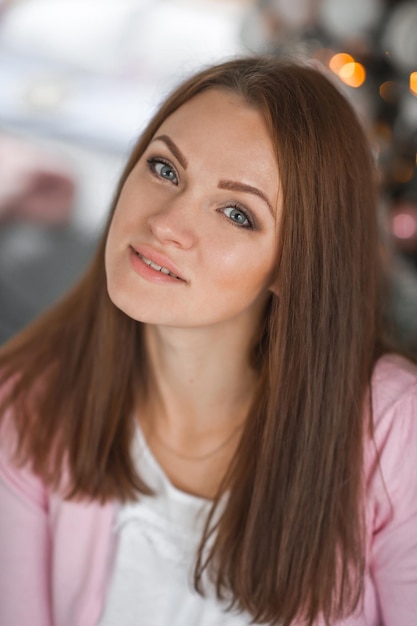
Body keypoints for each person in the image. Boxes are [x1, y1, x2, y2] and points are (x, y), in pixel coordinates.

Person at [0, 56, 416, 626]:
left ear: (293, 266)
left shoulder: (396, 433)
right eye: (166, 169)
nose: (167, 222)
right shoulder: (26, 403)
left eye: (236, 213)